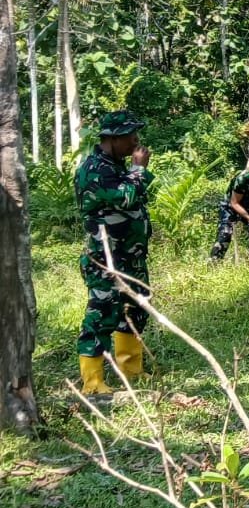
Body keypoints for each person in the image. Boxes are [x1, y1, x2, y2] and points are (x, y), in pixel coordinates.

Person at [74, 111, 154, 397]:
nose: (136, 141)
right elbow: (126, 197)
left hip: (130, 255)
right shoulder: (95, 169)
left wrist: (134, 171)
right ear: (113, 138)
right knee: (102, 313)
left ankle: (131, 368)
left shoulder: (117, 166)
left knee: (136, 308)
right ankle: (93, 382)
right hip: (106, 258)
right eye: (131, 136)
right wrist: (139, 170)